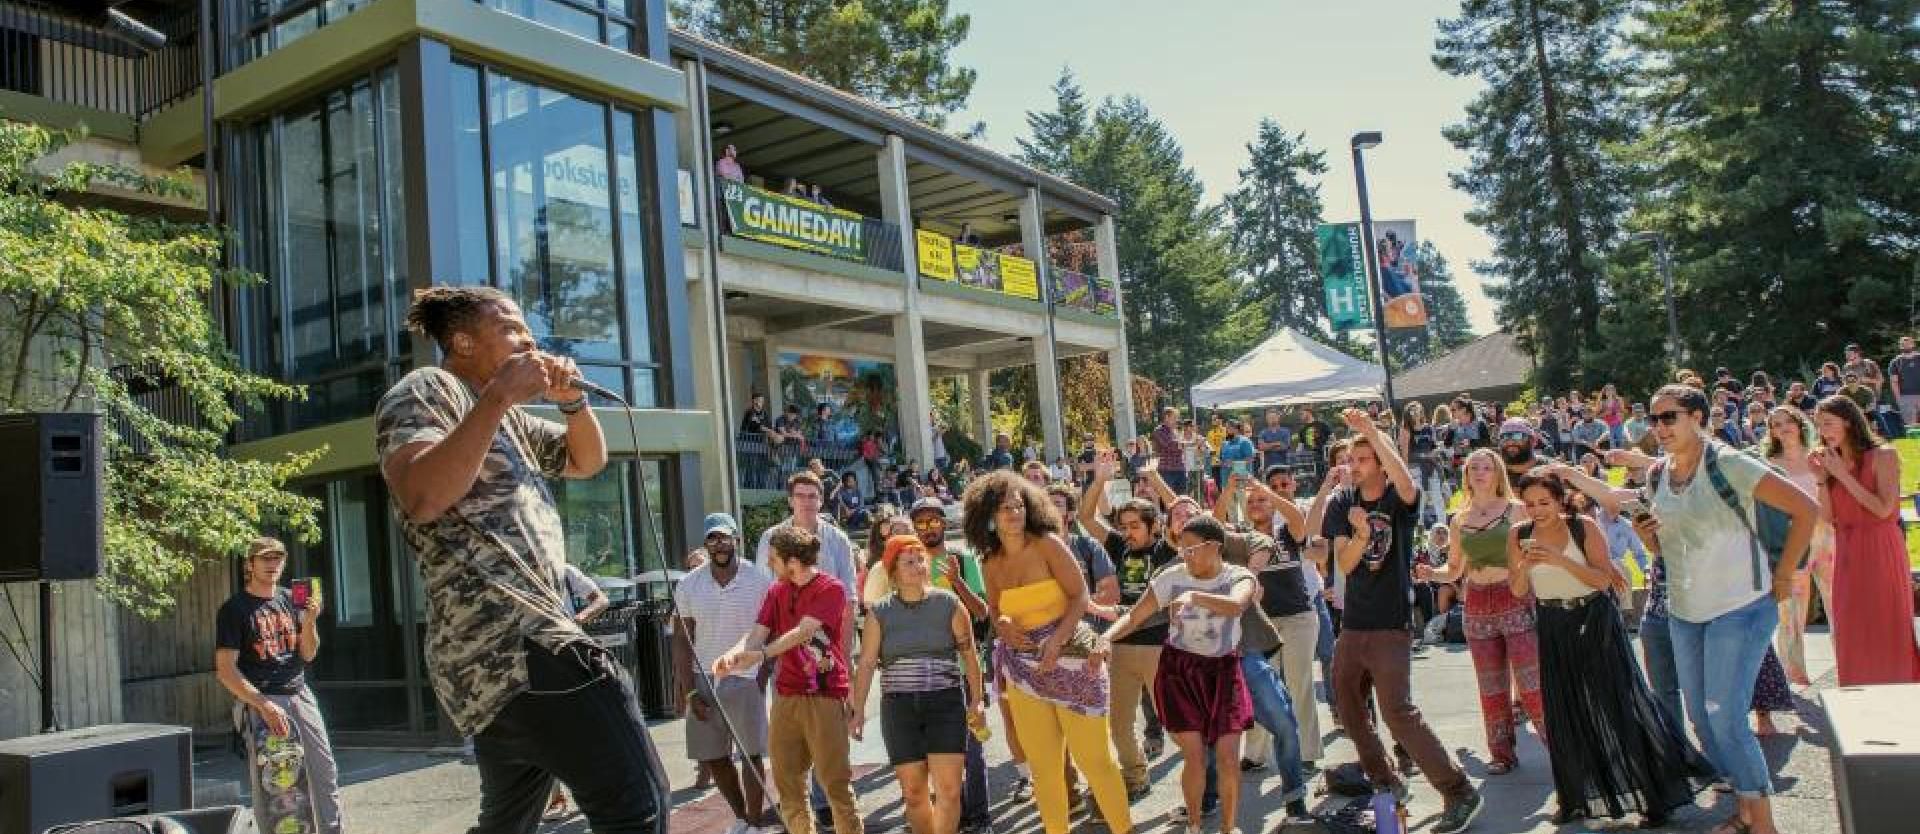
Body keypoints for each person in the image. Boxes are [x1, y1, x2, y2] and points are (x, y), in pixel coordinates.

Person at [376, 287, 667, 833]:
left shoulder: (508, 419)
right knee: (637, 807)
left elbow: (586, 459)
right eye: (512, 329)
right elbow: (421, 495)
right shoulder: (429, 389)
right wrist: (495, 399)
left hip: (496, 666)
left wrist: (572, 403)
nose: (530, 342)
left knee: (508, 823)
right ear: (463, 341)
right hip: (519, 639)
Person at [1628, 384, 1818, 834]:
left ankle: (1764, 823)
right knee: (1702, 717)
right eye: (1654, 420)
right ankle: (1746, 807)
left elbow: (1806, 508)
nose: (1659, 427)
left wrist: (1785, 574)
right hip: (1685, 610)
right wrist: (1645, 534)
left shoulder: (1729, 462)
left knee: (1726, 718)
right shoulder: (1657, 475)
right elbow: (1661, 549)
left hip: (1742, 605)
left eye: (1669, 417)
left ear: (1697, 417)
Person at [1508, 471, 1713, 826]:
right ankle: (1574, 798)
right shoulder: (1518, 535)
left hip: (1593, 616)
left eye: (1544, 502)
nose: (1537, 510)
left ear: (1560, 500)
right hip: (1552, 621)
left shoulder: (1582, 526)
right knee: (1564, 709)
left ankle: (1654, 795)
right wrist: (1524, 567)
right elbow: (1516, 590)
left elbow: (1603, 579)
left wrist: (1559, 559)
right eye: (1530, 505)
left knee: (1617, 702)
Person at [1321, 409, 1484, 832]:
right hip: (1353, 624)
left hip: (1391, 623)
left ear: (1378, 460)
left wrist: (1373, 432)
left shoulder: (1396, 498)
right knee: (1348, 705)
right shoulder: (1342, 502)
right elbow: (1344, 560)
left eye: (1363, 459)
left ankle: (1459, 791)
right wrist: (1358, 534)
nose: (1354, 467)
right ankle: (1386, 782)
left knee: (1397, 711)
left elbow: (1408, 482)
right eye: (1350, 461)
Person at [968, 472, 1133, 834]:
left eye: (1017, 505)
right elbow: (994, 610)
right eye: (1003, 508)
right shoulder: (990, 562)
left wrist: (1056, 640)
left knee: (1096, 761)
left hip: (1074, 658)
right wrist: (1003, 623)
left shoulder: (1048, 544)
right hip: (1024, 670)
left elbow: (1080, 596)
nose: (1013, 513)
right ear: (988, 516)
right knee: (1044, 769)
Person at [1103, 515, 1259, 834]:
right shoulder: (1171, 577)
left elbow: (1234, 606)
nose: (1184, 555)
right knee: (1195, 755)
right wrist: (1106, 638)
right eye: (1181, 547)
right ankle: (1195, 824)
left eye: (1191, 548)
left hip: (1224, 670)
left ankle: (1229, 829)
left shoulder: (1239, 576)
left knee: (1229, 757)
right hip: (1180, 671)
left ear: (1215, 547)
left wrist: (1195, 596)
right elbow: (1134, 616)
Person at [715, 528, 861, 834]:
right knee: (788, 786)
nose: (769, 565)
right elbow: (756, 632)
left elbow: (803, 633)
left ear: (792, 561)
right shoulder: (776, 591)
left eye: (773, 559)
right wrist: (732, 655)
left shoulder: (830, 588)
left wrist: (762, 655)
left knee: (835, 786)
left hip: (825, 694)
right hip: (786, 696)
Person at [848, 536, 987, 834]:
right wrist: (857, 711)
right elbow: (868, 664)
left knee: (949, 791)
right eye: (908, 561)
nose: (917, 565)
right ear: (893, 570)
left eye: (920, 559)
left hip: (946, 703)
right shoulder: (879, 612)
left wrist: (977, 699)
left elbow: (969, 654)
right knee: (913, 793)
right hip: (899, 708)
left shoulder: (949, 603)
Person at [1420, 449, 1543, 775]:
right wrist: (1431, 573)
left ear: (1498, 473)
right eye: (1474, 467)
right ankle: (1501, 754)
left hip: (1514, 596)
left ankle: (1560, 745)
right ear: (1466, 476)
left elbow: (1539, 554)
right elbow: (1455, 567)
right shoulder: (1459, 518)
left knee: (1532, 684)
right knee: (1490, 685)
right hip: (1476, 602)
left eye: (1486, 467)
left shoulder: (1517, 510)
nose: (1479, 472)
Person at [215, 536, 343, 834]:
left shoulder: (290, 599)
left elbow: (308, 653)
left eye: (277, 558)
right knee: (278, 787)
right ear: (250, 564)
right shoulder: (234, 609)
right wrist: (262, 704)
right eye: (265, 558)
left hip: (300, 694)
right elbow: (225, 670)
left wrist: (310, 620)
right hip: (263, 701)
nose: (272, 564)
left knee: (324, 773)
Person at [1079, 451, 1175, 799]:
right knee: (1118, 724)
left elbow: (1181, 513)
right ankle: (1136, 778)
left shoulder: (1167, 550)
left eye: (1136, 526)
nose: (1128, 532)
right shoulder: (1118, 546)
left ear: (1153, 527)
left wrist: (1158, 482)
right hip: (1119, 645)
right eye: (1125, 526)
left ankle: (1205, 781)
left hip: (1159, 647)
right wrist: (1100, 478)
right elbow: (1085, 516)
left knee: (1178, 725)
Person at [672, 513, 776, 834]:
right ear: (705, 543)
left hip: (746, 675)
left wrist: (762, 675)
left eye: (725, 537)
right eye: (713, 538)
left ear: (736, 540)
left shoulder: (760, 579)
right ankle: (742, 817)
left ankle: (756, 822)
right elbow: (681, 638)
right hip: (704, 677)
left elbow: (773, 630)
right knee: (713, 756)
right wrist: (687, 689)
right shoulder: (688, 584)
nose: (719, 544)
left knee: (751, 754)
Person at [1809, 396, 1920, 685]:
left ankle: (1899, 690)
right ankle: (1858, 691)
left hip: (1880, 544)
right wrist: (1821, 479)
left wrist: (1842, 476)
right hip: (1846, 546)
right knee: (1851, 624)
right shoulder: (1829, 460)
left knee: (1886, 619)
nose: (1823, 431)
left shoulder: (1884, 455)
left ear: (1848, 420)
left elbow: (1883, 509)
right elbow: (1827, 517)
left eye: (1828, 423)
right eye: (1819, 425)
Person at [906, 499, 995, 834]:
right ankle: (948, 818)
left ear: (944, 523)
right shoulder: (908, 562)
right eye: (921, 523)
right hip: (922, 672)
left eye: (933, 522)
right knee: (932, 753)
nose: (928, 528)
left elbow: (983, 611)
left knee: (972, 748)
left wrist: (958, 582)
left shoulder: (962, 558)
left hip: (962, 668)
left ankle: (980, 816)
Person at [1763, 406, 1834, 686]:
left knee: (1837, 603)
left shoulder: (1820, 456)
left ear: (1798, 423)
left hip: (1826, 537)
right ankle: (1795, 677)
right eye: (1776, 424)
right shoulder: (1769, 464)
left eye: (1787, 422)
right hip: (1790, 540)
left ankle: (1847, 666)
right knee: (1790, 612)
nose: (1783, 428)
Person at [1151, 407, 1189, 494]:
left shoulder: (1176, 431)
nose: (1177, 420)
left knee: (1182, 498)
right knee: (1168, 499)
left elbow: (1180, 447)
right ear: (1166, 417)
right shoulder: (1159, 431)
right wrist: (1186, 444)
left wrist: (1183, 444)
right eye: (1174, 417)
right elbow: (1170, 445)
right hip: (1167, 470)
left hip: (1180, 469)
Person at [1887, 335, 1920, 425]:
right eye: (1903, 344)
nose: (1906, 346)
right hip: (1906, 397)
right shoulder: (1896, 362)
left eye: (1908, 343)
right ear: (1900, 346)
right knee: (1911, 425)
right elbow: (1894, 382)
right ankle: (1913, 439)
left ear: (1913, 344)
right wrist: (1899, 399)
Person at [1216, 421, 1257, 491]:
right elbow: (1221, 460)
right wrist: (1221, 462)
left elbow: (1250, 458)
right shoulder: (1224, 443)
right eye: (1226, 428)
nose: (1226, 430)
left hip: (1242, 481)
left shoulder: (1245, 441)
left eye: (1229, 427)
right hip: (1226, 482)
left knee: (1243, 501)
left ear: (1236, 429)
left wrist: (1234, 463)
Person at [1257, 408, 1295, 473]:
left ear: (1278, 418)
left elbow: (1284, 447)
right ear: (1267, 419)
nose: (1272, 419)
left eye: (1274, 417)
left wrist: (1267, 446)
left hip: (1284, 465)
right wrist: (1276, 443)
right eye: (1270, 417)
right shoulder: (1263, 433)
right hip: (1268, 466)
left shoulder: (1286, 431)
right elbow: (1261, 447)